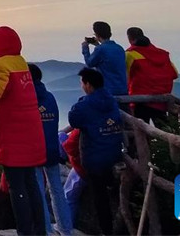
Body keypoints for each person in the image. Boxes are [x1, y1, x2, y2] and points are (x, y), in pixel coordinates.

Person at [0, 26, 46, 236]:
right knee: (31, 184)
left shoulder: (1, 64)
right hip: (31, 132)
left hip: (13, 134)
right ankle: (40, 230)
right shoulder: (21, 62)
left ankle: (24, 231)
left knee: (16, 186)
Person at [69, 68, 124, 236]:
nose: (81, 86)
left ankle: (106, 231)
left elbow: (73, 119)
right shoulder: (111, 100)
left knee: (100, 198)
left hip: (95, 159)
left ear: (88, 85)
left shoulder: (85, 105)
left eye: (82, 83)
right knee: (110, 190)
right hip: (114, 153)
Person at [28, 64, 73, 236]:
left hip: (35, 150)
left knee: (38, 190)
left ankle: (45, 229)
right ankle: (66, 228)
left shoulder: (28, 99)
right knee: (57, 190)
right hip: (53, 148)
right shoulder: (51, 98)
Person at [125, 27, 178, 125]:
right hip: (162, 99)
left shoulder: (130, 54)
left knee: (140, 132)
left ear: (129, 38)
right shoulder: (163, 54)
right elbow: (174, 74)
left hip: (140, 100)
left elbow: (125, 78)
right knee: (164, 133)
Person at [81, 21, 127, 96]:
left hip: (108, 91)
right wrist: (97, 45)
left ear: (97, 35)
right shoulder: (119, 48)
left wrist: (85, 48)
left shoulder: (100, 49)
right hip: (123, 90)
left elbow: (89, 63)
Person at [61, 129, 86, 224]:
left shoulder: (81, 128)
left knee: (68, 196)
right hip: (100, 160)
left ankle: (68, 225)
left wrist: (71, 159)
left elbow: (69, 148)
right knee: (61, 135)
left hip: (83, 168)